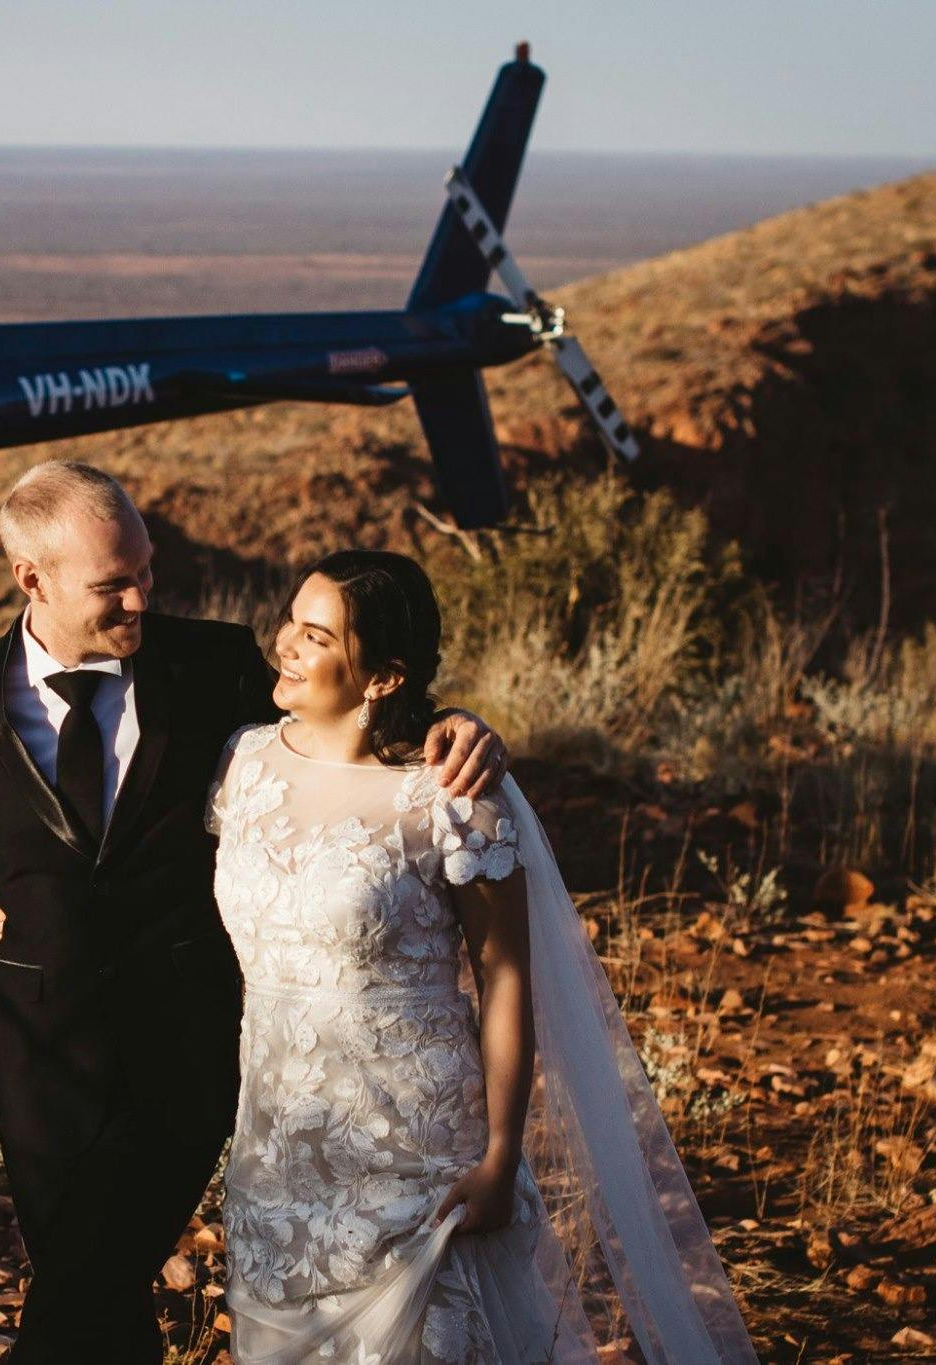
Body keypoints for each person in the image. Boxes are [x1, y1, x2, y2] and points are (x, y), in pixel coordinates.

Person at [0, 462, 506, 1364]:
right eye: (114, 584)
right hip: (39, 1052)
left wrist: (455, 721)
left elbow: (351, 710)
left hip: (189, 1039)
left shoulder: (213, 665)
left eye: (145, 569)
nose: (142, 597)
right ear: (34, 580)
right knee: (90, 1285)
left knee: (89, 1276)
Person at [207, 549, 758, 1363]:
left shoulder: (451, 795)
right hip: (278, 1150)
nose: (286, 643)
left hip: (418, 1150)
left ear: (384, 678)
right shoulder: (241, 762)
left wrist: (502, 1152)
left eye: (316, 636)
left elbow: (505, 979)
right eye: (292, 620)